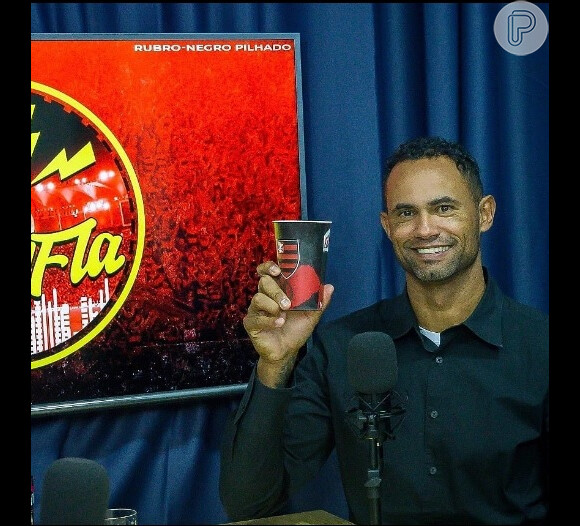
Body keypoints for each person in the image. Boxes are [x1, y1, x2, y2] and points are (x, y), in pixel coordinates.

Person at [219, 136, 549, 525]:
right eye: (406, 214)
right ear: (387, 226)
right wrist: (276, 363)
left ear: (485, 214)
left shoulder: (539, 346)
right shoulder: (343, 347)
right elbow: (248, 503)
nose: (425, 230)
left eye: (444, 208)